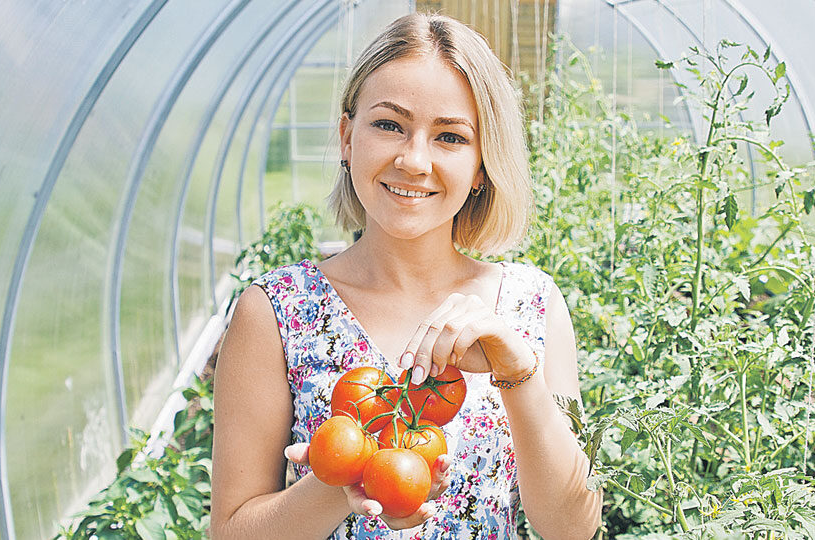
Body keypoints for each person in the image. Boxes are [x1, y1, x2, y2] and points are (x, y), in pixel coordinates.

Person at [210, 12, 602, 539]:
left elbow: (572, 529)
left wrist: (518, 374)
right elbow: (231, 532)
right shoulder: (276, 311)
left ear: (483, 164)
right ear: (348, 138)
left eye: (450, 137)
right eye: (390, 125)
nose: (415, 160)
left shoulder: (529, 305)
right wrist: (342, 481)